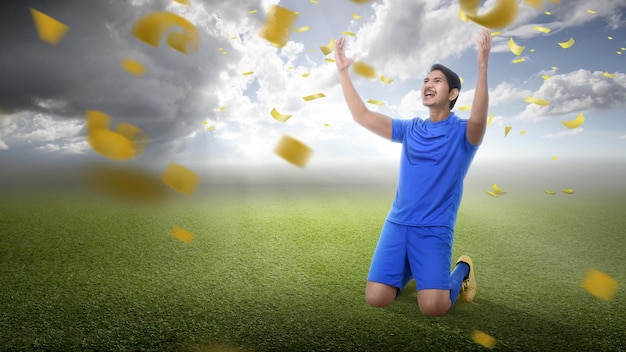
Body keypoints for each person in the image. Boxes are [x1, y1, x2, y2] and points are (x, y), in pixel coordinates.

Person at [334, 28, 492, 317]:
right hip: (397, 224)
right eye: (426, 80)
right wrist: (343, 71)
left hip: (434, 229)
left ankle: (463, 268)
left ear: (453, 93)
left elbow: (480, 117)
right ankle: (413, 268)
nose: (428, 85)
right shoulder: (410, 129)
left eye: (438, 81)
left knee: (434, 307)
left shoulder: (463, 134)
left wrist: (482, 66)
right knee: (377, 298)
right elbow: (363, 116)